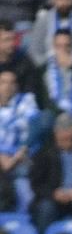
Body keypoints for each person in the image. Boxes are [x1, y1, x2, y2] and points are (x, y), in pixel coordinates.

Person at [0, 69, 38, 205]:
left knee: (23, 171)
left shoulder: (26, 101)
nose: (8, 86)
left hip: (20, 156)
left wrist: (13, 156)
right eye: (3, 82)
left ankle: (25, 214)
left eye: (12, 82)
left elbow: (27, 127)